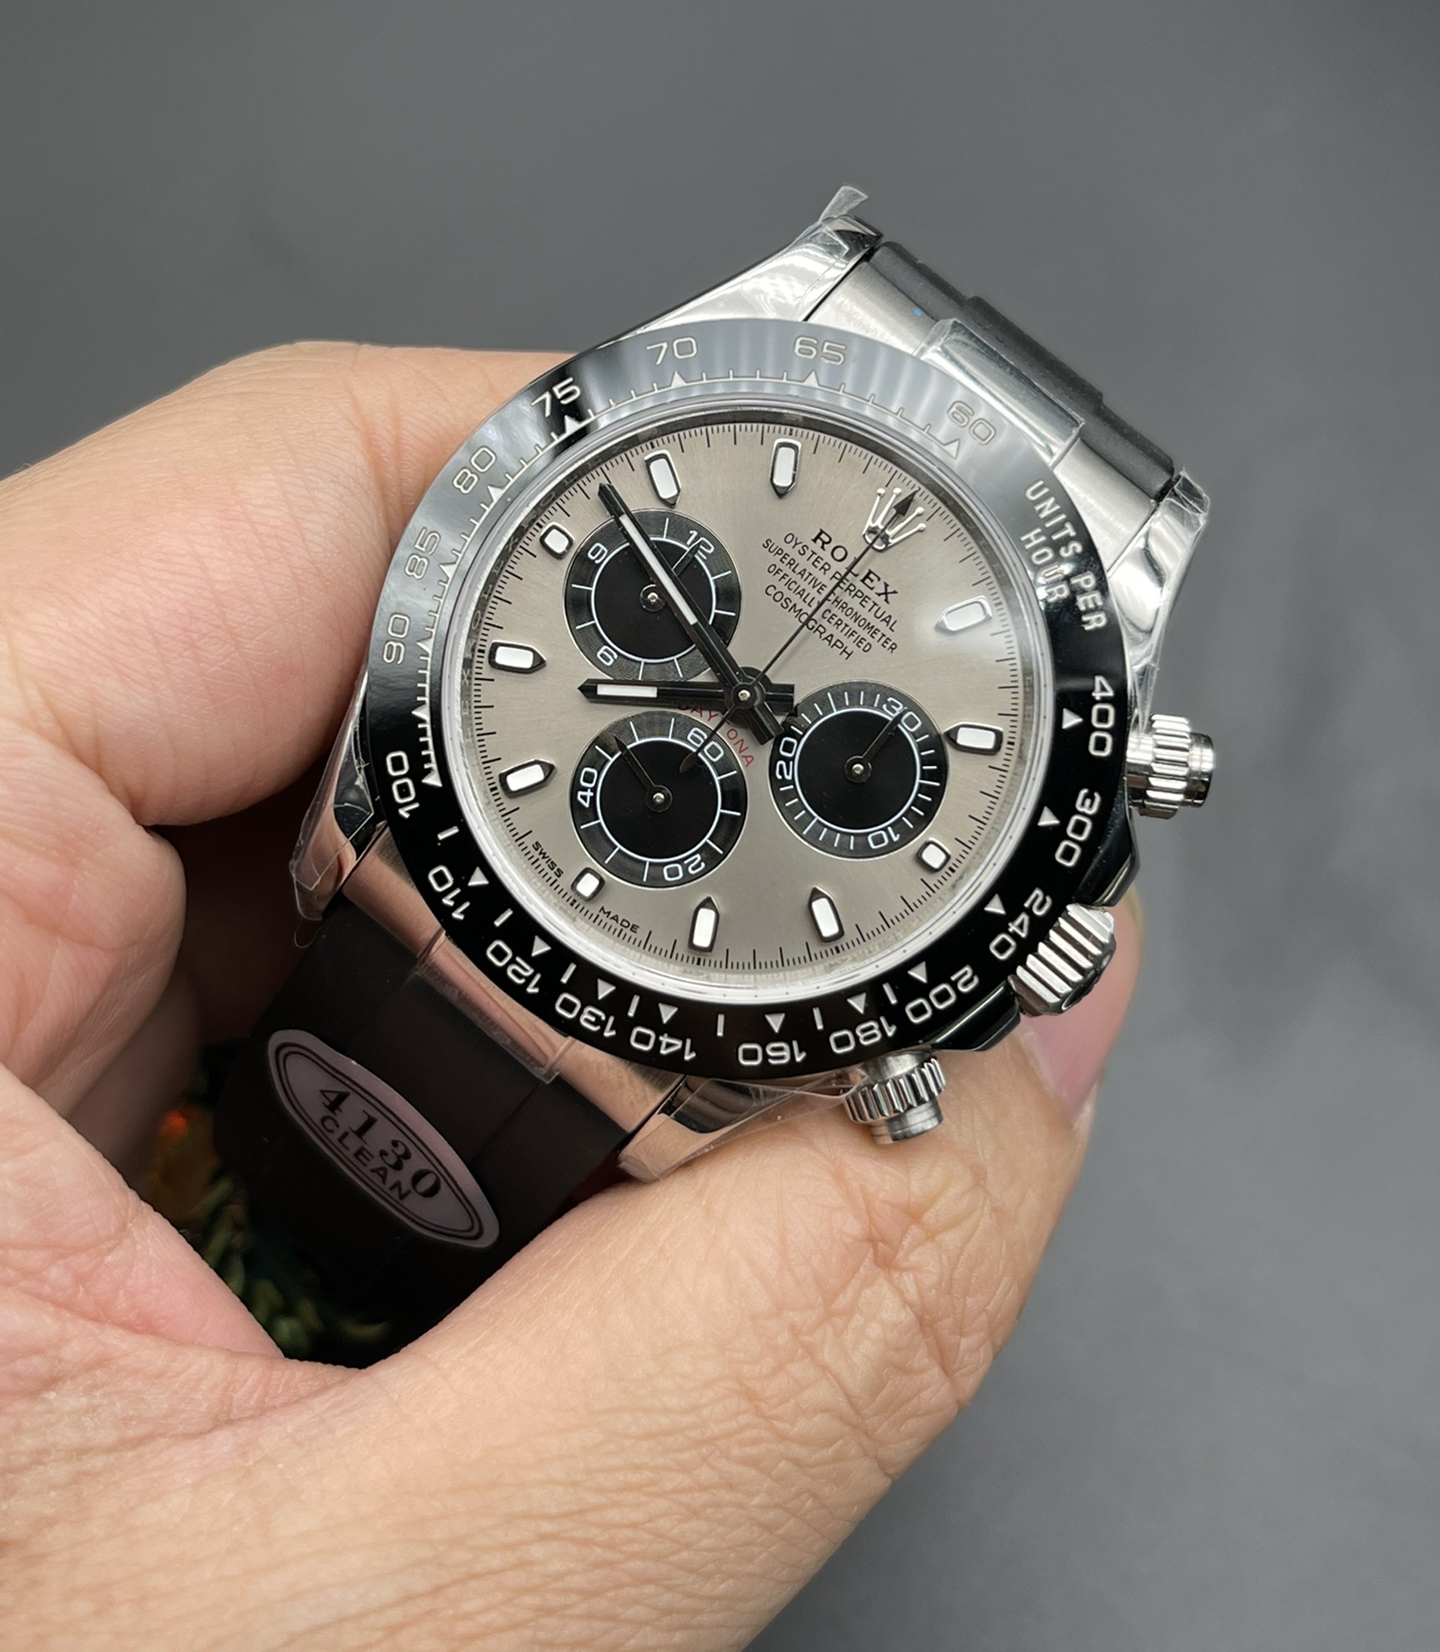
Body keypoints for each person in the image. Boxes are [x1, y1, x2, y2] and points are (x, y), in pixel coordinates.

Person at [0, 343, 1138, 1647]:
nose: (750, 707)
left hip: (620, 1053)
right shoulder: (348, 841)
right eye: (658, 599)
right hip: (415, 867)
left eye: (846, 762)